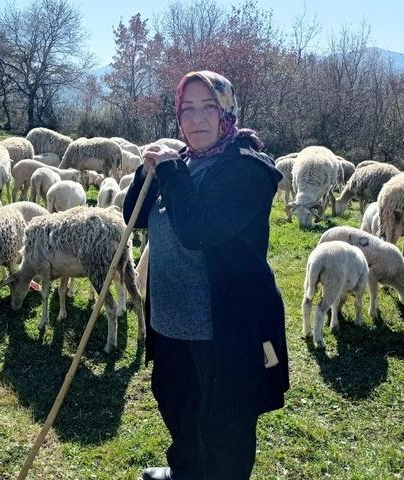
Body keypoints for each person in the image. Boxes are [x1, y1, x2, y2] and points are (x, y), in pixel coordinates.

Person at [123, 70, 290, 480]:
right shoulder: (182, 162)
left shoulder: (247, 169)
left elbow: (199, 230)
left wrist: (170, 173)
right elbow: (136, 218)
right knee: (177, 405)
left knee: (225, 425)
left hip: (223, 326)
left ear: (226, 111)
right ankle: (185, 473)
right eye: (187, 109)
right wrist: (145, 174)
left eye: (208, 107)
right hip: (172, 320)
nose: (196, 119)